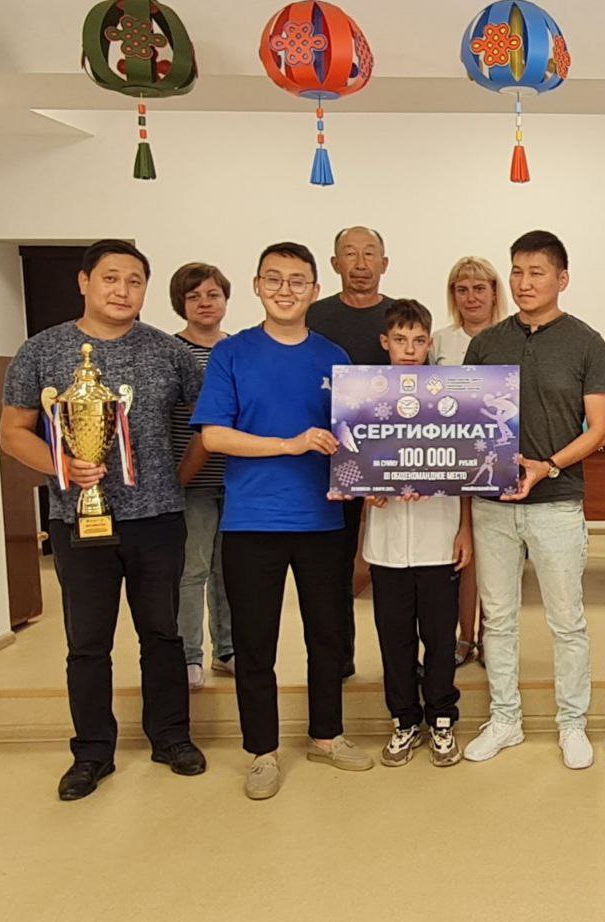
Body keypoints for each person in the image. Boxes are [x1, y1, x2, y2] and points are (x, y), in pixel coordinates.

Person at [0, 239, 207, 800]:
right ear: (84, 282)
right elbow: (12, 431)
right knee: (87, 642)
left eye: (135, 281)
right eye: (111, 278)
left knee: (162, 634)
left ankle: (171, 736)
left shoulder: (168, 352)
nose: (122, 290)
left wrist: (178, 477)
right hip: (78, 519)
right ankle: (92, 751)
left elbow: (210, 421)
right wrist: (63, 465)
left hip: (158, 518)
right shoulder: (42, 351)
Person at [194, 241, 374, 800]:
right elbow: (213, 436)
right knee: (255, 644)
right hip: (252, 521)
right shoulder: (232, 354)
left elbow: (358, 438)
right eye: (273, 279)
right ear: (256, 286)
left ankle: (327, 736)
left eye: (297, 281)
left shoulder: (335, 357)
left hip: (323, 521)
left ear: (315, 290)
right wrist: (289, 444)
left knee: (328, 636)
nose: (285, 290)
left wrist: (378, 477)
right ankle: (262, 751)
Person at [461, 230, 605, 771]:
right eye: (517, 272)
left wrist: (546, 466)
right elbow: (467, 425)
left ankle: (572, 723)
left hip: (557, 502)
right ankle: (505, 719)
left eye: (537, 273)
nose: (524, 283)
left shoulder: (587, 343)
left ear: (561, 279)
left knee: (566, 621)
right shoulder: (486, 343)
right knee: (498, 619)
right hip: (493, 503)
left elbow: (599, 429)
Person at [363, 300, 473, 768]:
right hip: (387, 544)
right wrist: (366, 487)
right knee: (395, 637)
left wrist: (465, 528)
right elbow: (353, 463)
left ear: (430, 343)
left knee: (440, 637)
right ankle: (404, 719)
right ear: (385, 342)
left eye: (419, 340)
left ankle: (442, 717)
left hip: (438, 537)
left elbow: (467, 466)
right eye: (400, 340)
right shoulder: (363, 399)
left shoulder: (450, 399)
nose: (409, 349)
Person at [307, 226, 397, 678]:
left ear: (384, 263)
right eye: (350, 254)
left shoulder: (398, 316)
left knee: (397, 568)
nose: (360, 264)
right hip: (329, 461)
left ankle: (402, 665)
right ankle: (339, 658)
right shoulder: (313, 316)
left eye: (369, 254)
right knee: (334, 567)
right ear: (334, 263)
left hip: (393, 461)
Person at [432, 256, 510, 668]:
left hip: (496, 457)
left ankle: (490, 636)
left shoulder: (512, 337)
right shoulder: (439, 342)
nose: (471, 297)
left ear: (495, 293)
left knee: (493, 559)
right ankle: (464, 637)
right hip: (449, 459)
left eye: (480, 288)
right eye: (462, 289)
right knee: (461, 556)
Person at [168, 262, 233, 690]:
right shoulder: (170, 350)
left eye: (213, 295)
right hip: (190, 480)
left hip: (237, 479)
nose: (205, 303)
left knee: (229, 571)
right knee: (193, 570)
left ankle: (226, 650)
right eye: (194, 297)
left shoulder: (238, 348)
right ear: (181, 303)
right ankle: (189, 655)